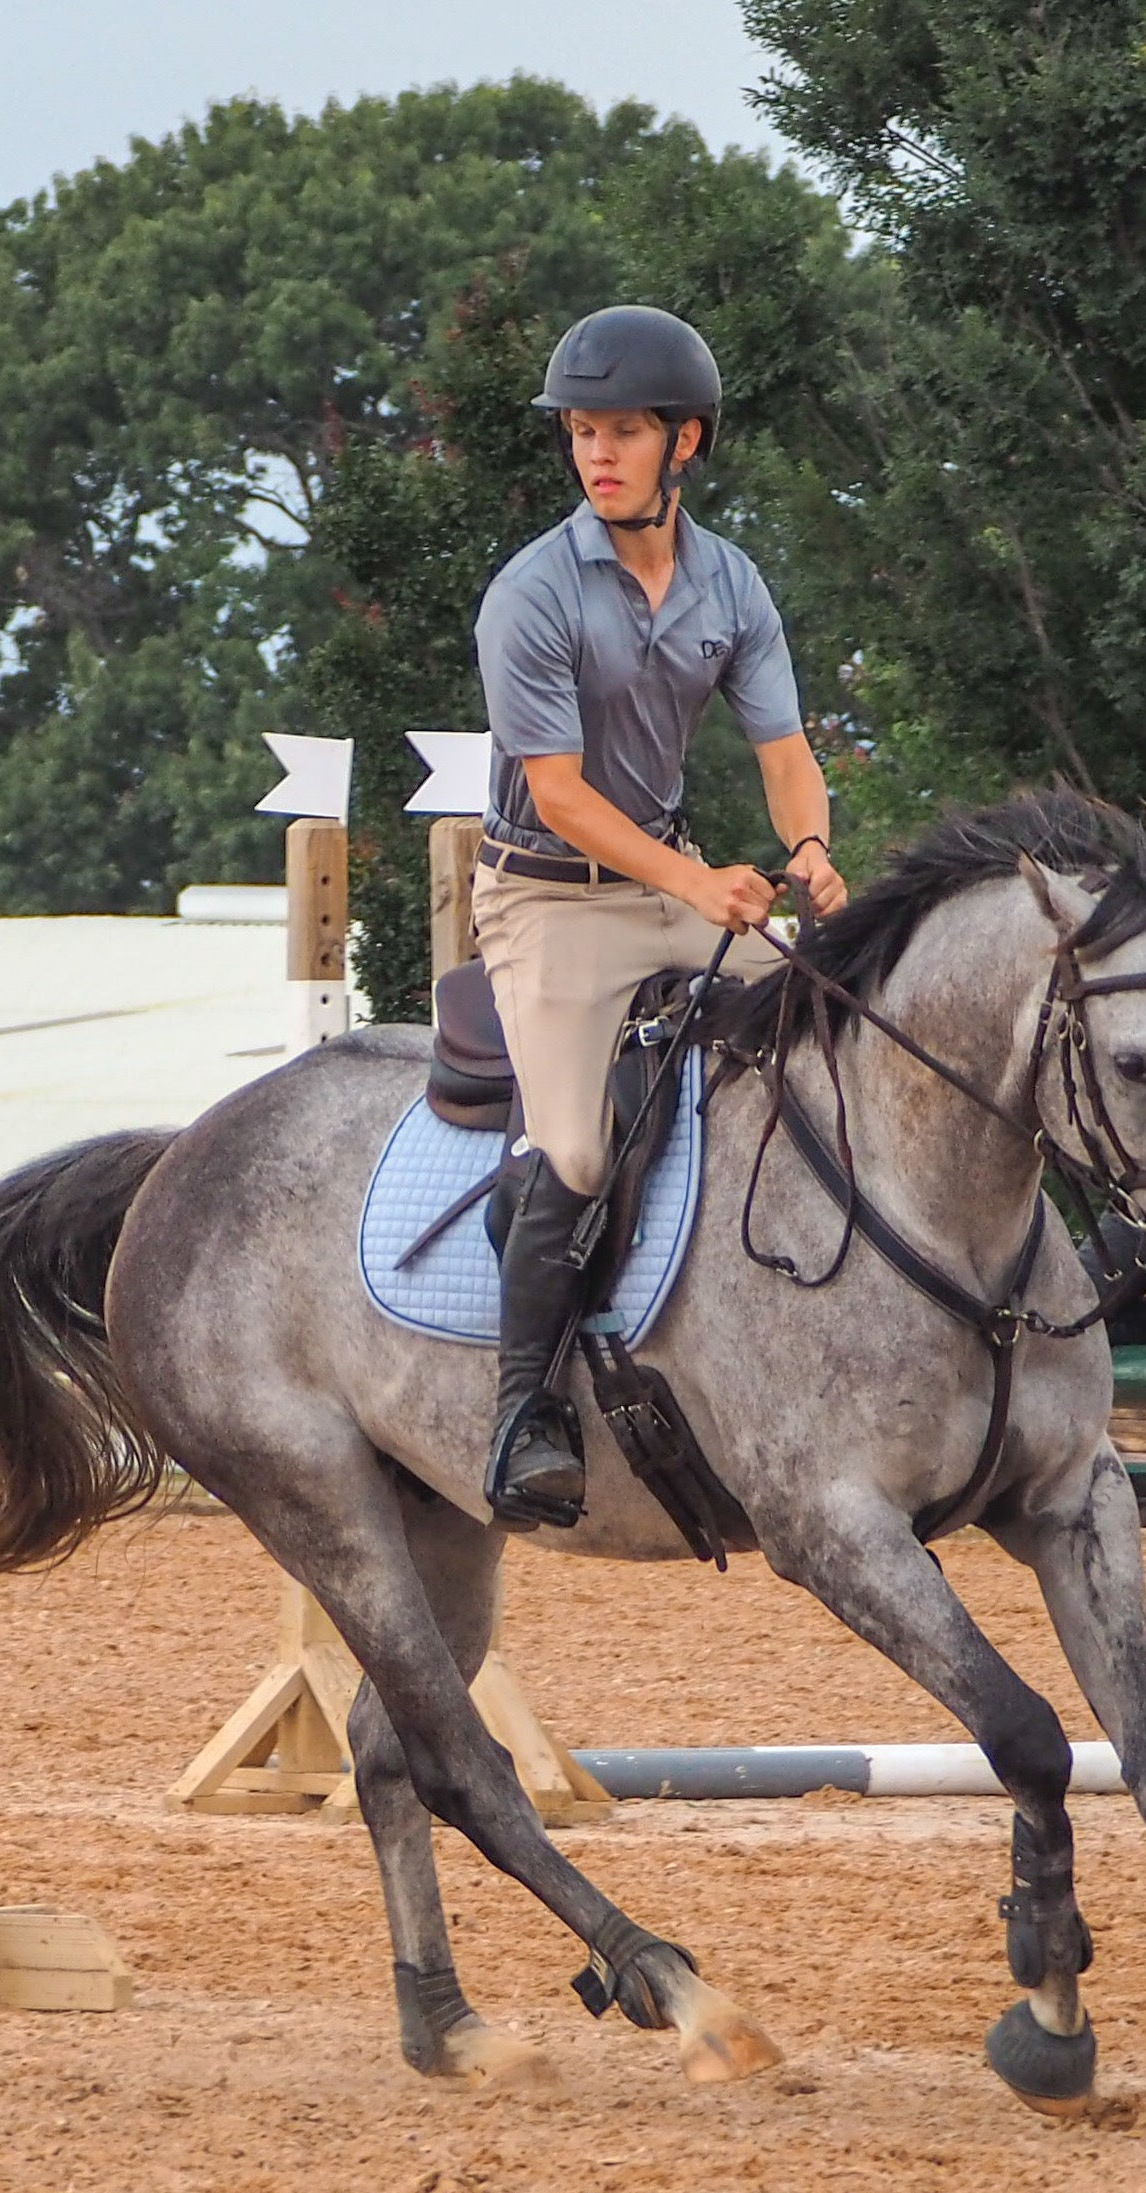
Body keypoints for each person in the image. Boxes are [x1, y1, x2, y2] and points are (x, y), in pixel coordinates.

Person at [470, 305, 850, 1526]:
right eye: (582, 432)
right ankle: (521, 1415)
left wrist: (810, 849)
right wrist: (699, 884)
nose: (597, 454)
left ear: (686, 441)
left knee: (833, 1027)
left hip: (673, 882)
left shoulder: (731, 581)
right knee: (576, 1152)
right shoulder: (528, 594)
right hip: (547, 898)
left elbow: (785, 751)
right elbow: (561, 797)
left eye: (622, 431)